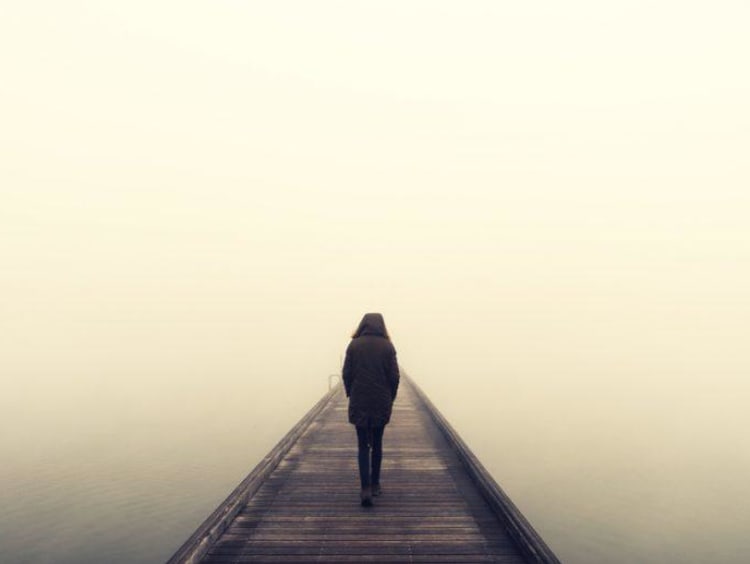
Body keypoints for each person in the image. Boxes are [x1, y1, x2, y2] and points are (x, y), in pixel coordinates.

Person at [342, 313, 400, 507]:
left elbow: (346, 373)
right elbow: (394, 376)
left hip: (360, 400)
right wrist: (390, 397)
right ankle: (375, 484)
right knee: (377, 443)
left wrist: (350, 392)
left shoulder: (354, 345)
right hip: (380, 400)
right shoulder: (387, 346)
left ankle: (365, 488)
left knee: (362, 446)